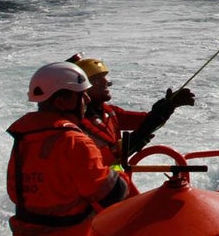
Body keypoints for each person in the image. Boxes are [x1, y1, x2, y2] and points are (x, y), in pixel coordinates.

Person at [6, 61, 127, 235]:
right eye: (82, 95)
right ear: (62, 101)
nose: (87, 100)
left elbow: (17, 191)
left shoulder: (23, 139)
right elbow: (112, 195)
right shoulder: (76, 142)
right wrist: (119, 173)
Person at [66, 53, 195, 194]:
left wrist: (168, 105)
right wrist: (140, 136)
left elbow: (146, 121)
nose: (107, 82)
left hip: (116, 183)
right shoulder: (76, 124)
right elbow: (111, 155)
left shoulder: (109, 112)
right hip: (95, 190)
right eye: (97, 79)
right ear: (82, 89)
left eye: (105, 77)